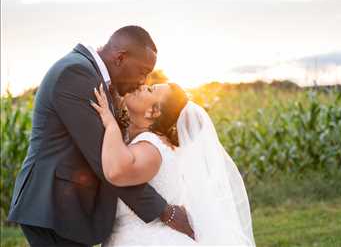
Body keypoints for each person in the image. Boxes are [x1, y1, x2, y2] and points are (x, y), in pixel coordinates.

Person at [7, 26, 193, 247]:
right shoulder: (76, 73)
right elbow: (109, 166)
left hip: (66, 210)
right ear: (120, 58)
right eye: (143, 71)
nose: (143, 81)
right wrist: (166, 212)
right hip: (53, 207)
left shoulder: (90, 74)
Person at [90, 82, 256, 245]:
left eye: (150, 89)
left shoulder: (150, 145)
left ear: (153, 112)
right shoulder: (154, 142)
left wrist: (110, 124)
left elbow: (116, 172)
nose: (141, 86)